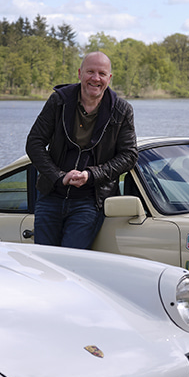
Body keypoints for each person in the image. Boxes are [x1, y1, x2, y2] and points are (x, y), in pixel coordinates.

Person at [25, 51, 137, 248]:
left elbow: (129, 155)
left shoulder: (122, 110)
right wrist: (59, 176)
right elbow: (34, 143)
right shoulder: (58, 101)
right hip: (50, 195)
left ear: (109, 78)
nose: (95, 78)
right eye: (90, 72)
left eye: (102, 74)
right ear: (79, 73)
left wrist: (91, 175)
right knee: (45, 262)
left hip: (90, 201)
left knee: (70, 262)